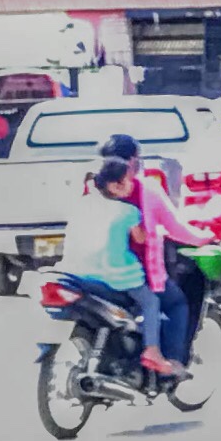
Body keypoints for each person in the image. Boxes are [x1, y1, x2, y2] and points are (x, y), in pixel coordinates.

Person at [107, 131, 209, 377]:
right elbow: (174, 229)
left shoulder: (92, 188)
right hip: (131, 274)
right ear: (132, 161)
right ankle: (170, 363)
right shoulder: (145, 190)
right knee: (176, 304)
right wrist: (204, 238)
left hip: (87, 272)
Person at [59, 149, 156, 361]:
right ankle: (153, 352)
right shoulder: (128, 212)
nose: (132, 184)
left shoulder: (81, 204)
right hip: (114, 278)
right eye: (128, 180)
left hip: (74, 272)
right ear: (115, 185)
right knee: (151, 303)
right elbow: (141, 239)